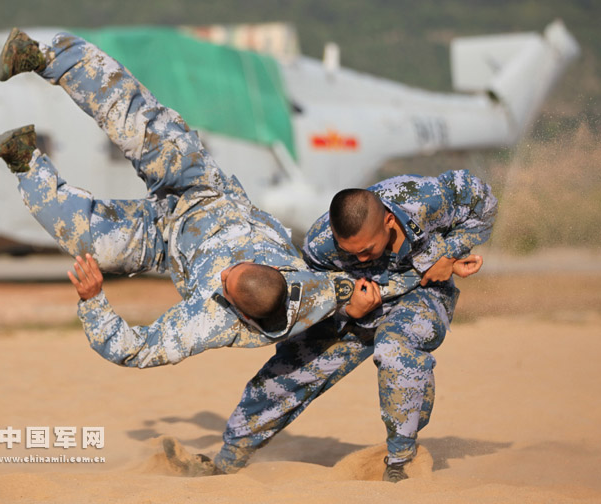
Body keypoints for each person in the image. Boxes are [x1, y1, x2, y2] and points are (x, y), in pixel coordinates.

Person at [0, 29, 420, 369]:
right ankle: (44, 55)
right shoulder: (314, 291)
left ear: (232, 305)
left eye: (226, 281)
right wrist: (394, 282)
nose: (227, 270)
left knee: (85, 240)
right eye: (239, 269)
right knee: (138, 125)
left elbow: (133, 350)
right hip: (203, 188)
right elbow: (371, 287)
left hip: (164, 243)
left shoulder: (210, 322)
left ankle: (21, 157)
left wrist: (94, 299)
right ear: (275, 272)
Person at [170, 170, 497, 482]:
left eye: (368, 249)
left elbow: (483, 202)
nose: (363, 259)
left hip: (419, 295)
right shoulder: (320, 243)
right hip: (352, 310)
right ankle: (225, 462)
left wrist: (448, 255)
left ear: (388, 220)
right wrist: (347, 306)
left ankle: (401, 462)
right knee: (284, 373)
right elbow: (316, 294)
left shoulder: (423, 199)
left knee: (395, 348)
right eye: (352, 252)